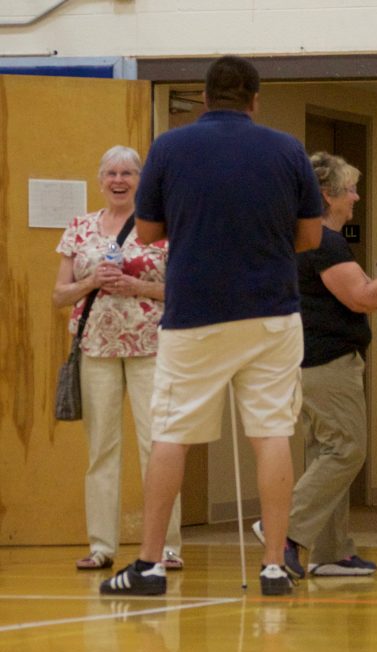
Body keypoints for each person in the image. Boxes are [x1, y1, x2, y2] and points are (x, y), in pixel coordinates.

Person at [99, 55, 323, 597]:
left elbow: (148, 232)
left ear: (203, 98)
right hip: (271, 312)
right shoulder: (288, 148)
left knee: (172, 433)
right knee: (272, 433)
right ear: (254, 100)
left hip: (194, 313)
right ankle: (274, 566)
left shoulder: (170, 148)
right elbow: (311, 238)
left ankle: (150, 565)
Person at [251, 152, 377, 578]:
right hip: (326, 362)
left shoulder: (294, 236)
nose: (357, 197)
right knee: (346, 449)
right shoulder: (323, 241)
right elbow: (363, 297)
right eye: (351, 190)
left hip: (302, 360)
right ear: (328, 195)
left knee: (325, 451)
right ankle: (281, 530)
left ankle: (332, 551)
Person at [53, 145, 184, 572]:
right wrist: (92, 280)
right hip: (96, 348)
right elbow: (59, 295)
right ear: (99, 179)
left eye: (127, 172)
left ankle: (166, 546)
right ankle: (102, 546)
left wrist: (138, 288)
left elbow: (185, 290)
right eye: (111, 172)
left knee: (157, 446)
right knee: (101, 449)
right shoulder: (79, 227)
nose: (119, 180)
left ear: (140, 180)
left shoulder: (161, 228)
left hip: (152, 348)